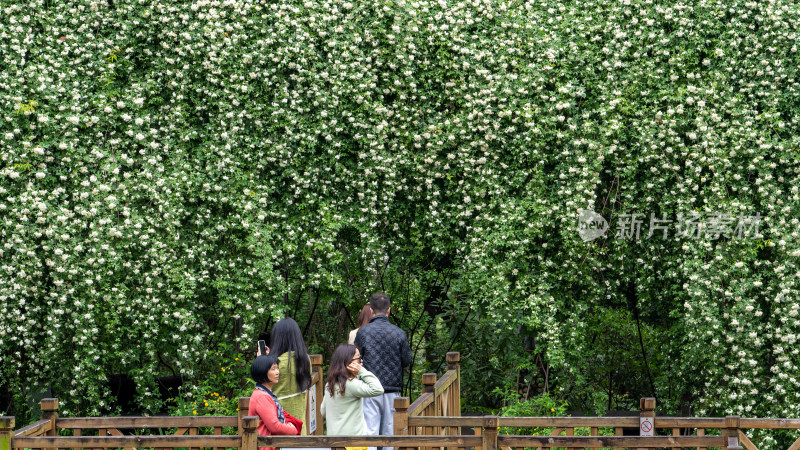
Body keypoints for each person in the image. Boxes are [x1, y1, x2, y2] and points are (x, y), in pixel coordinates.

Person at [354, 293, 412, 450]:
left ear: (371, 310)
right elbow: (406, 360)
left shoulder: (363, 333)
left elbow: (356, 359)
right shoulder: (399, 333)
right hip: (392, 391)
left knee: (369, 433)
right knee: (390, 435)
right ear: (389, 310)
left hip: (369, 390)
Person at [260, 318, 313, 435]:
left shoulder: (274, 364)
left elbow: (261, 388)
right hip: (299, 427)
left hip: (278, 427)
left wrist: (261, 361)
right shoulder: (305, 360)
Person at [320, 344, 384, 435]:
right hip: (353, 442)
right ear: (348, 362)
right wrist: (362, 371)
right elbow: (378, 389)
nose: (361, 361)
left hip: (333, 441)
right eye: (358, 358)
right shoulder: (351, 384)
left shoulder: (329, 384)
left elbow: (323, 411)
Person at [248, 355, 301, 450]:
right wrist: (293, 429)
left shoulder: (264, 393)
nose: (277, 372)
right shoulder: (262, 396)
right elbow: (275, 426)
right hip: (265, 446)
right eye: (273, 369)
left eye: (277, 368)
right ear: (262, 371)